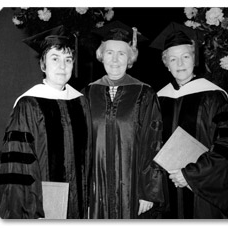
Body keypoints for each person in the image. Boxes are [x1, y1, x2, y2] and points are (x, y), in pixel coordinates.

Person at [0, 25, 92, 219]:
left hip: (77, 203)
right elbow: (18, 168)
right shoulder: (28, 104)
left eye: (68, 60)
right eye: (55, 59)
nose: (62, 66)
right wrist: (32, 211)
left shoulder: (81, 102)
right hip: (40, 206)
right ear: (43, 65)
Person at [150, 22, 228, 219]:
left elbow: (227, 146)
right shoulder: (158, 100)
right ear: (166, 64)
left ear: (195, 59)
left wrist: (189, 175)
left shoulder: (213, 97)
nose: (180, 64)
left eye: (185, 56)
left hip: (202, 193)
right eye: (173, 59)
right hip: (168, 189)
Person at [82, 20, 167, 219]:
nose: (115, 59)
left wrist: (148, 191)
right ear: (101, 56)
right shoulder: (87, 93)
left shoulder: (144, 93)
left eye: (122, 53)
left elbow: (153, 143)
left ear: (130, 58)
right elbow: (80, 146)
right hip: (96, 188)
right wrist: (84, 189)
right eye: (109, 52)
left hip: (133, 186)